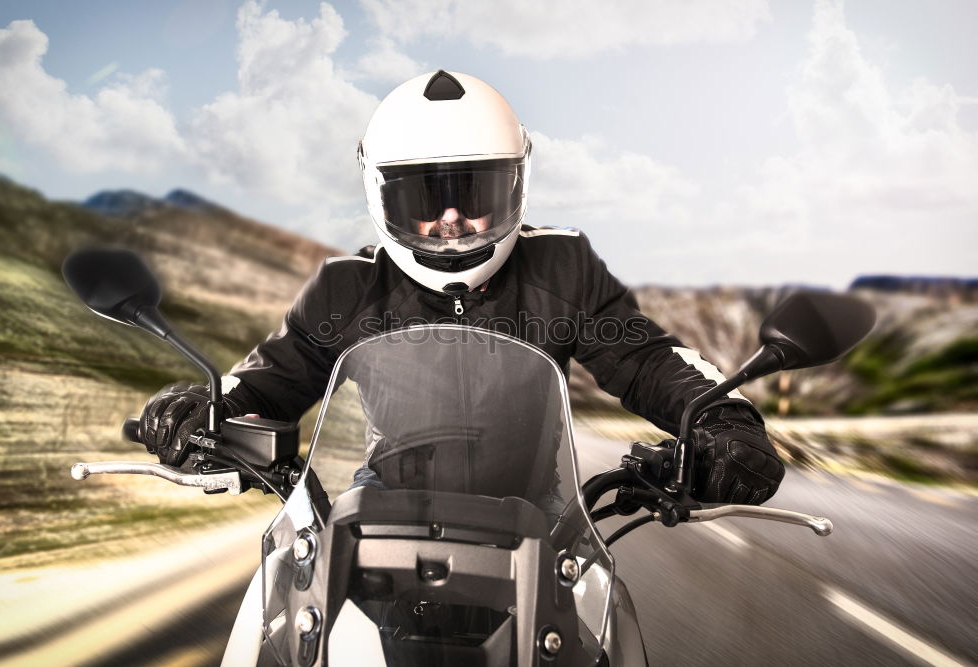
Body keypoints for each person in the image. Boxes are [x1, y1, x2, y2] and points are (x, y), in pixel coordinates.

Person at [140, 70, 784, 505]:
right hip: (376, 525)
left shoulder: (562, 267)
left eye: (470, 192)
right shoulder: (346, 289)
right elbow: (270, 381)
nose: (451, 219)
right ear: (381, 195)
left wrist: (723, 419)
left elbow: (646, 361)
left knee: (604, 628)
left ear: (514, 186)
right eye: (427, 197)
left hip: (543, 530)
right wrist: (204, 409)